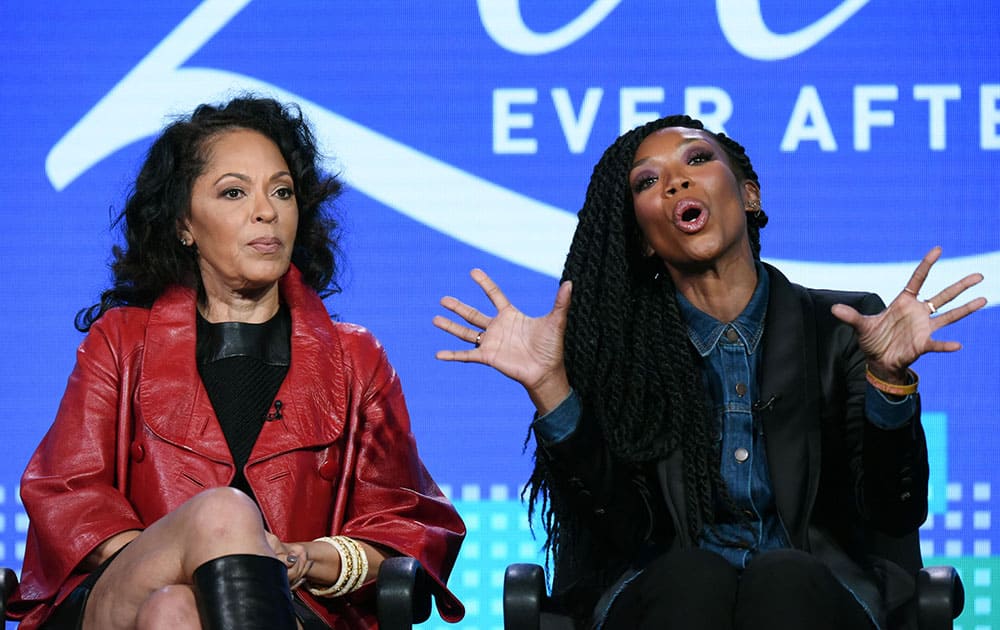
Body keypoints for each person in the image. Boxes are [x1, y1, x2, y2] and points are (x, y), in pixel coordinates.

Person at [434, 114, 985, 629]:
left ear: (749, 195)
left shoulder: (842, 326)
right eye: (648, 182)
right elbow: (621, 531)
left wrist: (888, 380)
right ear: (644, 240)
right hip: (666, 591)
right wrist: (550, 386)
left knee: (784, 576)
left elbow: (892, 511)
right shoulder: (622, 353)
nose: (675, 184)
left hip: (820, 588)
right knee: (692, 576)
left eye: (696, 161)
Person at [8, 96, 465, 630]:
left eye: (282, 191)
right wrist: (185, 553)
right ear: (185, 224)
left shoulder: (356, 359)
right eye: (233, 192)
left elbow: (403, 525)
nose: (266, 211)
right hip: (120, 594)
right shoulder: (121, 342)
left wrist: (301, 558)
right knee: (219, 518)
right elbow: (67, 492)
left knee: (176, 612)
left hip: (291, 608)